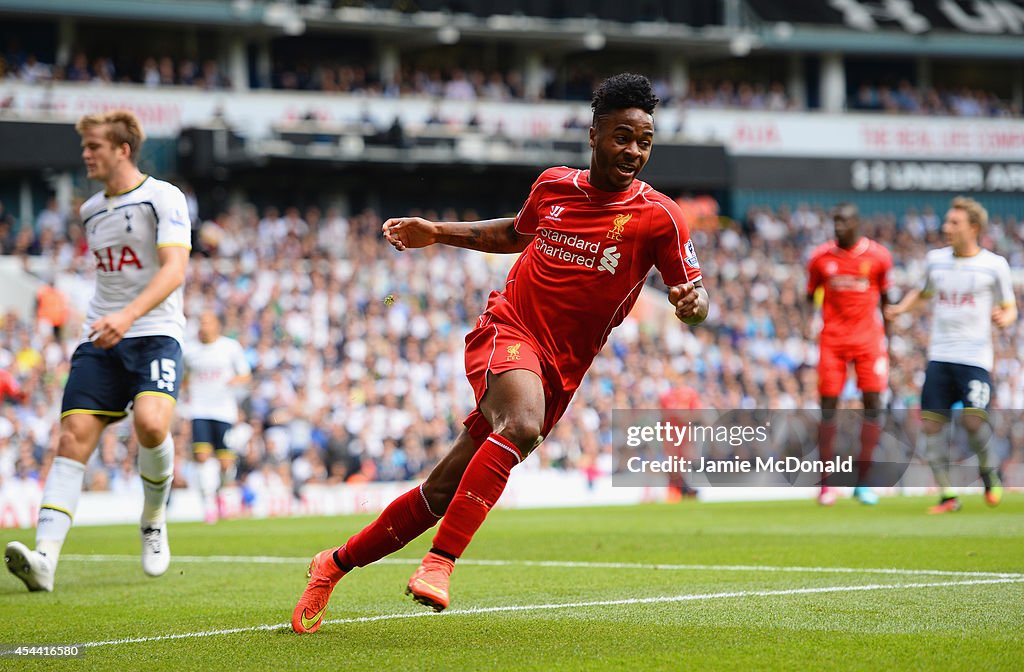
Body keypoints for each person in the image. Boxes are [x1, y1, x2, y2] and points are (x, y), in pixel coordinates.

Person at [291, 73, 709, 633]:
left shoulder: (659, 217)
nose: (633, 150)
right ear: (594, 134)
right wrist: (435, 232)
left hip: (562, 367)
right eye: (622, 136)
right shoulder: (554, 185)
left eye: (644, 141)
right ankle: (439, 564)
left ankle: (332, 565)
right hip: (507, 329)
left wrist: (691, 304)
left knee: (441, 491)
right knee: (521, 422)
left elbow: (698, 300)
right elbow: (515, 234)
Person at [4, 110, 191, 592]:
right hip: (100, 338)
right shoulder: (90, 210)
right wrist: (106, 323)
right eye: (85, 146)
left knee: (152, 426)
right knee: (72, 441)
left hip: (154, 332)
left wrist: (128, 317)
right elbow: (112, 281)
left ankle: (153, 521)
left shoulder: (162, 197)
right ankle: (44, 558)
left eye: (94, 147)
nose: (85, 155)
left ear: (121, 149)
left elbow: (174, 270)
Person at [885, 197, 1016, 513]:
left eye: (954, 223)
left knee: (973, 422)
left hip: (975, 358)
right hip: (940, 356)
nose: (946, 228)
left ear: (973, 228)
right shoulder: (936, 260)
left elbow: (1009, 306)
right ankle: (947, 494)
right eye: (946, 222)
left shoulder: (994, 265)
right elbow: (925, 292)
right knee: (931, 427)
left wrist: (1005, 318)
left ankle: (989, 472)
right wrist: (902, 307)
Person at [806, 203, 892, 506]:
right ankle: (826, 484)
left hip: (869, 341)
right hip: (833, 340)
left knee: (873, 403)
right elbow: (809, 296)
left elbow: (886, 301)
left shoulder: (879, 257)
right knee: (828, 407)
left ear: (857, 223)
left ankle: (863, 481)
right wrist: (808, 324)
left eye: (844, 221)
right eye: (835, 221)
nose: (838, 226)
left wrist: (888, 343)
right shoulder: (820, 258)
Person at [183, 310, 251, 523]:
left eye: (207, 321)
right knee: (202, 456)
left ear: (216, 326)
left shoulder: (229, 347)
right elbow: (183, 377)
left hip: (224, 411)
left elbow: (245, 374)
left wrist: (234, 381)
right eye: (201, 322)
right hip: (199, 410)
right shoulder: (189, 350)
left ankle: (221, 496)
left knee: (225, 462)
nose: (203, 326)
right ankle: (209, 505)